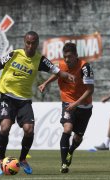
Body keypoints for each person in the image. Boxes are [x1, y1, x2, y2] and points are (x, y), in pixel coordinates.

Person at [0, 31, 74, 176]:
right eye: (28, 43)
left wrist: (66, 75)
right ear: (24, 43)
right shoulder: (14, 55)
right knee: (5, 128)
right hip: (8, 97)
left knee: (29, 130)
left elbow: (56, 70)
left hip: (24, 100)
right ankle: (0, 160)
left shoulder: (40, 60)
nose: (30, 46)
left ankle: (23, 159)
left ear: (37, 44)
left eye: (33, 43)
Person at [38, 42, 94, 173]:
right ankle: (64, 164)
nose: (67, 59)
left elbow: (90, 90)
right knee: (67, 128)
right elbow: (58, 74)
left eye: (70, 56)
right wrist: (45, 83)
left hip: (84, 106)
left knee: (78, 137)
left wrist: (77, 103)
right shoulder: (62, 65)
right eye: (65, 57)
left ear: (76, 55)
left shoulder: (85, 67)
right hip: (68, 102)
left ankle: (71, 151)